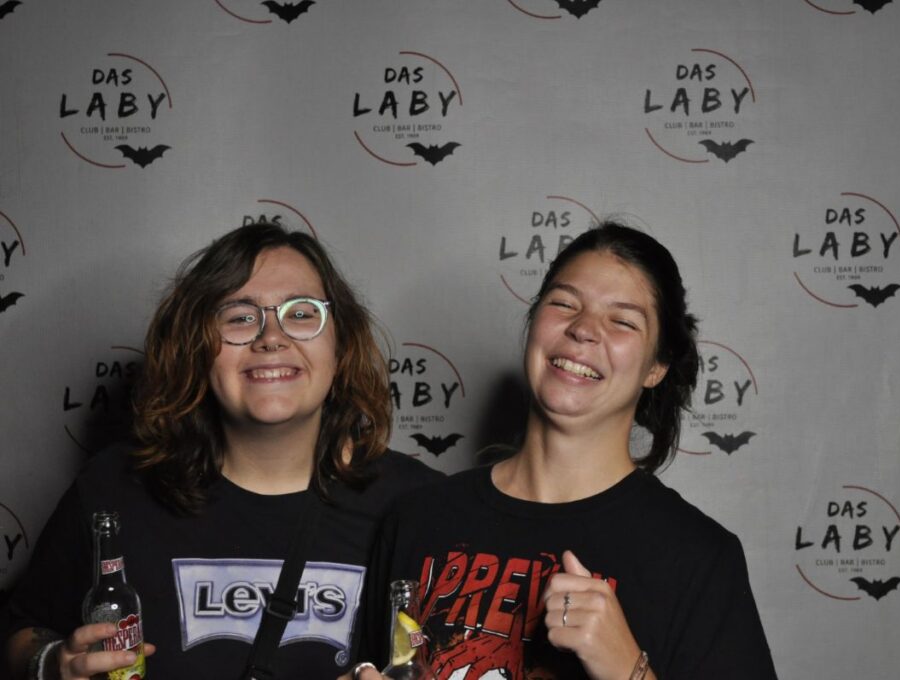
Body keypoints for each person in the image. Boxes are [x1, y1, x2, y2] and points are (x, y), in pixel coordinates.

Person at [2, 223, 442, 679]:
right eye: (239, 317)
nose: (271, 337)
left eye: (301, 313)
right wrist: (52, 664)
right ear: (196, 346)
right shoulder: (114, 489)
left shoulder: (421, 506)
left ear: (340, 343)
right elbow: (20, 632)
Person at [354, 222, 777, 679]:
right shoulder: (417, 519)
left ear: (656, 367)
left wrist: (627, 668)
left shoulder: (698, 556)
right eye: (564, 304)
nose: (583, 329)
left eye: (622, 321)